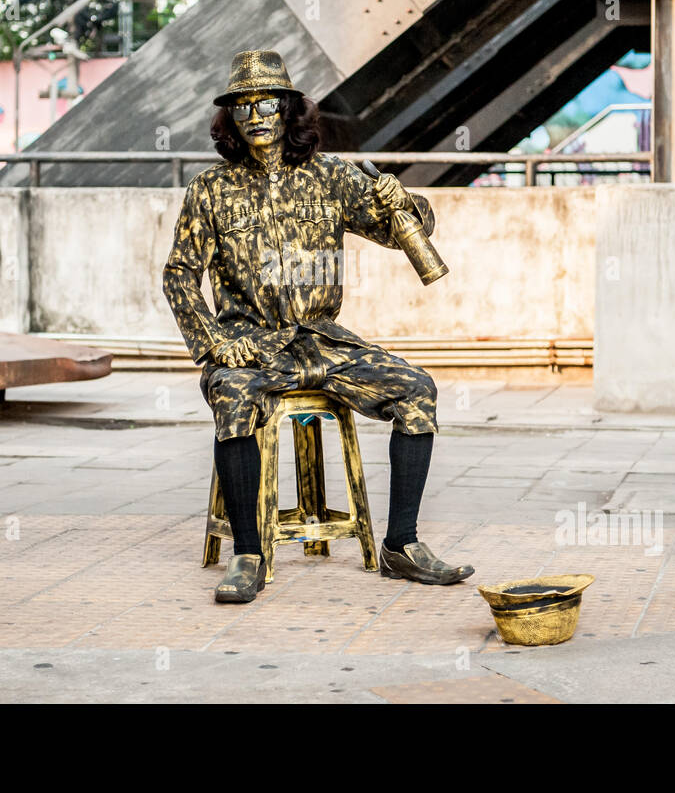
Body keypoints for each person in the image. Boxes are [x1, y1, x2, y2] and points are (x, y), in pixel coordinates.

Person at [163, 49, 475, 603]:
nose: (256, 114)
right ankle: (247, 555)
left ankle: (402, 545)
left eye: (268, 102)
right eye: (244, 105)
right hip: (249, 345)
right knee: (234, 399)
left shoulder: (331, 178)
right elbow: (179, 277)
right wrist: (214, 343)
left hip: (323, 342)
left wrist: (408, 203)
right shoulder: (209, 190)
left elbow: (397, 229)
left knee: (417, 391)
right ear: (230, 118)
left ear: (288, 109)